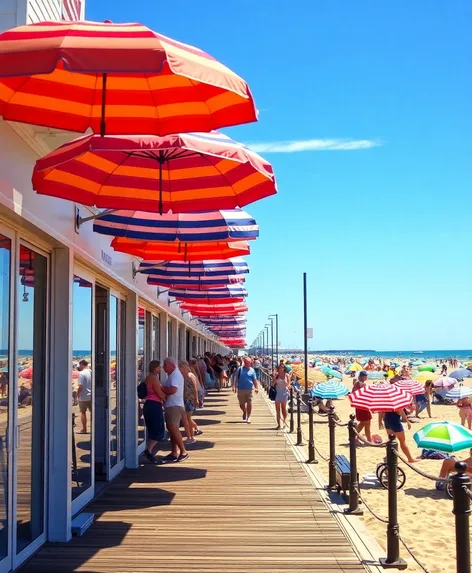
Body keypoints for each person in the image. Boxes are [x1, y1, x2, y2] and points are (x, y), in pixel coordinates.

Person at [161, 357, 189, 463]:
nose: (164, 367)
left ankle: (183, 451)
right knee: (172, 429)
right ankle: (174, 452)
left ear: (172, 365)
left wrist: (161, 388)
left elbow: (173, 390)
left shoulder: (175, 375)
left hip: (174, 406)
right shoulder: (173, 375)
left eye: (165, 365)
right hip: (173, 405)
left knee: (173, 428)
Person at [142, 360, 166, 463]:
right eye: (159, 367)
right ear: (154, 367)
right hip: (154, 405)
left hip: (148, 404)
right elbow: (160, 394)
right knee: (159, 430)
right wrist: (166, 395)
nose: (160, 369)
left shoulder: (147, 377)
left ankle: (149, 450)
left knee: (152, 428)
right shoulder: (154, 378)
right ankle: (148, 450)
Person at [179, 360, 201, 444]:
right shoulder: (181, 376)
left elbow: (195, 388)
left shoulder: (190, 375)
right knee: (187, 418)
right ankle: (194, 431)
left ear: (185, 367)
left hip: (190, 400)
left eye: (180, 366)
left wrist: (196, 399)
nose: (179, 368)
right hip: (183, 399)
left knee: (186, 419)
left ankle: (190, 437)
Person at [234, 356, 259, 424]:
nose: (247, 364)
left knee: (249, 403)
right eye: (246, 362)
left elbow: (254, 380)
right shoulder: (240, 369)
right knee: (241, 404)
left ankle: (249, 417)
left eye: (249, 362)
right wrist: (234, 386)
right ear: (244, 362)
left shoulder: (252, 370)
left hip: (249, 389)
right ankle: (244, 411)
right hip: (241, 389)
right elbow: (236, 378)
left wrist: (256, 387)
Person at [352, 371, 372, 443]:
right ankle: (353, 436)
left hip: (362, 405)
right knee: (364, 422)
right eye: (365, 376)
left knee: (367, 423)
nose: (366, 377)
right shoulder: (360, 384)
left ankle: (369, 439)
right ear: (362, 376)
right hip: (362, 405)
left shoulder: (357, 383)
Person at [272, 363, 290, 429]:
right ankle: (279, 424)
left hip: (284, 393)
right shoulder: (277, 375)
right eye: (280, 367)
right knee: (277, 410)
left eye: (282, 367)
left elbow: (289, 385)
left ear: (284, 368)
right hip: (278, 393)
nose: (281, 368)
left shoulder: (287, 375)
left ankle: (284, 421)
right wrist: (275, 379)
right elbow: (273, 384)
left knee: (283, 409)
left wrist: (287, 384)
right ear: (278, 368)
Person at [77, 359, 92, 434]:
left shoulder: (81, 373)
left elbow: (80, 386)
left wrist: (77, 396)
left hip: (83, 396)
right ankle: (94, 428)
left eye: (80, 365)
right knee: (93, 413)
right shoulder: (91, 372)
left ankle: (84, 429)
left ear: (82, 364)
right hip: (91, 395)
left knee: (83, 413)